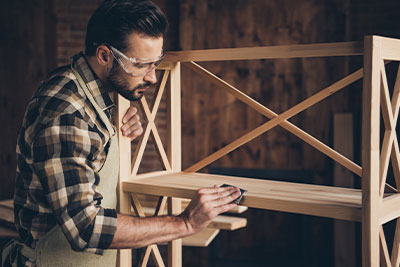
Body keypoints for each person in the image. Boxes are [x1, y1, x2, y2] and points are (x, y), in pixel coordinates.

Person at [2, 0, 241, 266]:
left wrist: (116, 133)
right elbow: (86, 227)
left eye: (156, 63)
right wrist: (185, 223)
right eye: (141, 64)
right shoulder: (67, 112)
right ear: (105, 55)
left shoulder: (90, 91)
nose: (152, 77)